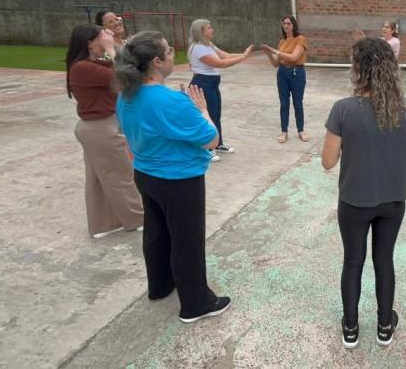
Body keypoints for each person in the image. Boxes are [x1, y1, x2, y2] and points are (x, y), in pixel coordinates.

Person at [114, 31, 231, 323]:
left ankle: (161, 284)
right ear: (156, 61)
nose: (173, 54)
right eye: (168, 51)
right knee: (187, 240)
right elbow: (211, 140)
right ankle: (196, 303)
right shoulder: (169, 100)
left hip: (145, 173)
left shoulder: (127, 95)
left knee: (157, 233)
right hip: (178, 180)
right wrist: (202, 110)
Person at [321, 37, 406, 349]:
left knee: (353, 261)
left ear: (358, 70)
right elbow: (400, 149)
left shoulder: (343, 109)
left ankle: (351, 328)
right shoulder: (405, 107)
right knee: (384, 260)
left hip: (354, 200)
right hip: (392, 198)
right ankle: (385, 326)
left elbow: (327, 161)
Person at [65, 23, 144, 239]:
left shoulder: (92, 65)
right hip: (100, 127)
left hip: (99, 126)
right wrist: (112, 49)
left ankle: (105, 224)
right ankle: (137, 219)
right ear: (90, 42)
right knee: (121, 175)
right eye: (103, 36)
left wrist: (116, 48)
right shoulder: (83, 68)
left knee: (101, 178)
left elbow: (130, 69)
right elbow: (126, 77)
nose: (107, 38)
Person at [187, 19, 253, 162]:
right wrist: (242, 58)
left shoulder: (208, 45)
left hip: (211, 84)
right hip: (202, 84)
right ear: (201, 31)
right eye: (209, 28)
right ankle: (207, 148)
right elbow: (220, 63)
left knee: (215, 114)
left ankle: (218, 144)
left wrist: (243, 55)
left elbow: (226, 56)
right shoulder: (198, 48)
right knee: (207, 116)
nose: (213, 30)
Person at [262, 16, 309, 143]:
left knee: (297, 102)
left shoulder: (300, 39)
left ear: (293, 25)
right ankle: (284, 131)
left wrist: (275, 51)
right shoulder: (282, 42)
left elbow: (294, 57)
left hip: (297, 72)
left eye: (289, 23)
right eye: (284, 23)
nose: (286, 26)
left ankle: (301, 130)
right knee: (284, 103)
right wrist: (268, 53)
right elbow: (276, 63)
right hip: (282, 72)